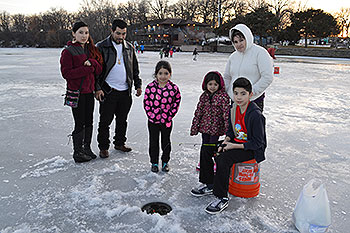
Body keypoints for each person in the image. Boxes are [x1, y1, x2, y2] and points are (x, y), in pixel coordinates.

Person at [199, 77, 266, 214]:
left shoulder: (255, 115)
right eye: (236, 93)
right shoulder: (233, 109)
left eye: (243, 93)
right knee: (206, 148)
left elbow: (258, 142)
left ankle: (222, 197)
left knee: (223, 158)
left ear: (250, 94)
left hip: (251, 149)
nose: (239, 97)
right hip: (235, 143)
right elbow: (231, 131)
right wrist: (226, 140)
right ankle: (209, 183)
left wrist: (232, 146)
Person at [95, 19, 142, 158]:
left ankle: (119, 143)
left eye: (124, 34)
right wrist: (98, 88)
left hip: (125, 91)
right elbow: (95, 72)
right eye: (118, 33)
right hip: (108, 91)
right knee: (105, 122)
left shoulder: (129, 48)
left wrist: (138, 85)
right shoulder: (101, 47)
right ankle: (103, 147)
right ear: (112, 31)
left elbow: (135, 69)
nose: (121, 37)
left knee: (122, 120)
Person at [60, 21, 103, 163]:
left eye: (86, 33)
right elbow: (66, 73)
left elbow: (99, 69)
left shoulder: (90, 49)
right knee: (79, 122)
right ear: (74, 33)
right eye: (80, 32)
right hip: (76, 93)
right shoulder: (68, 51)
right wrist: (87, 69)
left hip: (89, 92)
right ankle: (78, 152)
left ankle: (87, 148)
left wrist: (93, 63)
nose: (84, 36)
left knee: (89, 121)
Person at [190, 71, 230, 196]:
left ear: (220, 85)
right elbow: (198, 112)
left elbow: (226, 114)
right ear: (205, 84)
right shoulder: (204, 96)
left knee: (212, 149)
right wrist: (194, 127)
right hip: (204, 128)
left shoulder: (223, 97)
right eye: (210, 84)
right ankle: (206, 166)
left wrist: (229, 131)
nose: (212, 87)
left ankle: (212, 167)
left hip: (216, 129)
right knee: (204, 148)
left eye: (215, 84)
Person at [224, 24, 273, 111]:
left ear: (248, 37)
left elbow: (267, 77)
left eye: (241, 40)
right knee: (235, 124)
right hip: (235, 101)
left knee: (251, 124)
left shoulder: (260, 53)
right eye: (235, 42)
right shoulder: (233, 57)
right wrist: (230, 92)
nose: (239, 44)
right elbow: (227, 77)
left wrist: (250, 92)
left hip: (253, 100)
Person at [143, 61, 181, 173]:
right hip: (153, 121)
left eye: (166, 73)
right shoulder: (150, 87)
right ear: (156, 74)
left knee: (166, 142)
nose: (163, 76)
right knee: (153, 142)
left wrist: (169, 115)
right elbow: (146, 102)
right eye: (160, 73)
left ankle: (165, 162)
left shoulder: (173, 88)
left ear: (170, 74)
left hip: (167, 121)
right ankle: (154, 162)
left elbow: (176, 102)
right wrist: (151, 115)